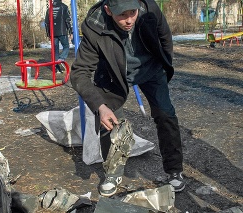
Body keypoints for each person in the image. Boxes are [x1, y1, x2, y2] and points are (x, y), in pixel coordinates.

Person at [70, 0, 185, 197]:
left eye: (132, 13)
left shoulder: (149, 9)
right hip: (113, 75)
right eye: (122, 15)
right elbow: (79, 72)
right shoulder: (95, 26)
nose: (129, 20)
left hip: (151, 70)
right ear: (108, 10)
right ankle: (112, 173)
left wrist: (165, 66)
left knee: (166, 114)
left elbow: (165, 37)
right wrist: (99, 106)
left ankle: (174, 170)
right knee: (110, 121)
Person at [45, 0, 72, 73]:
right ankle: (61, 59)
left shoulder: (49, 9)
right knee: (66, 46)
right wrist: (70, 31)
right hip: (62, 31)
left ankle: (56, 68)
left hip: (53, 33)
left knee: (55, 50)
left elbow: (46, 23)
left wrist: (48, 34)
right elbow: (67, 20)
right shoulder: (64, 7)